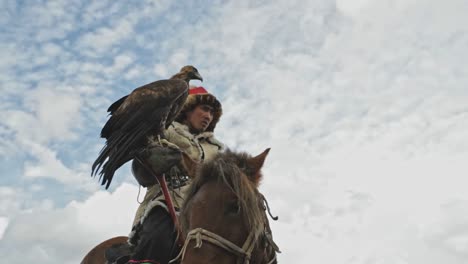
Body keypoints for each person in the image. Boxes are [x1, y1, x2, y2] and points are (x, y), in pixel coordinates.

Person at [125, 86, 224, 264]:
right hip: (166, 203)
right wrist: (149, 160)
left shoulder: (216, 149)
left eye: (212, 112)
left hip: (205, 212)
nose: (208, 117)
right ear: (187, 109)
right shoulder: (165, 131)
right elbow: (142, 172)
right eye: (204, 109)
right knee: (159, 237)